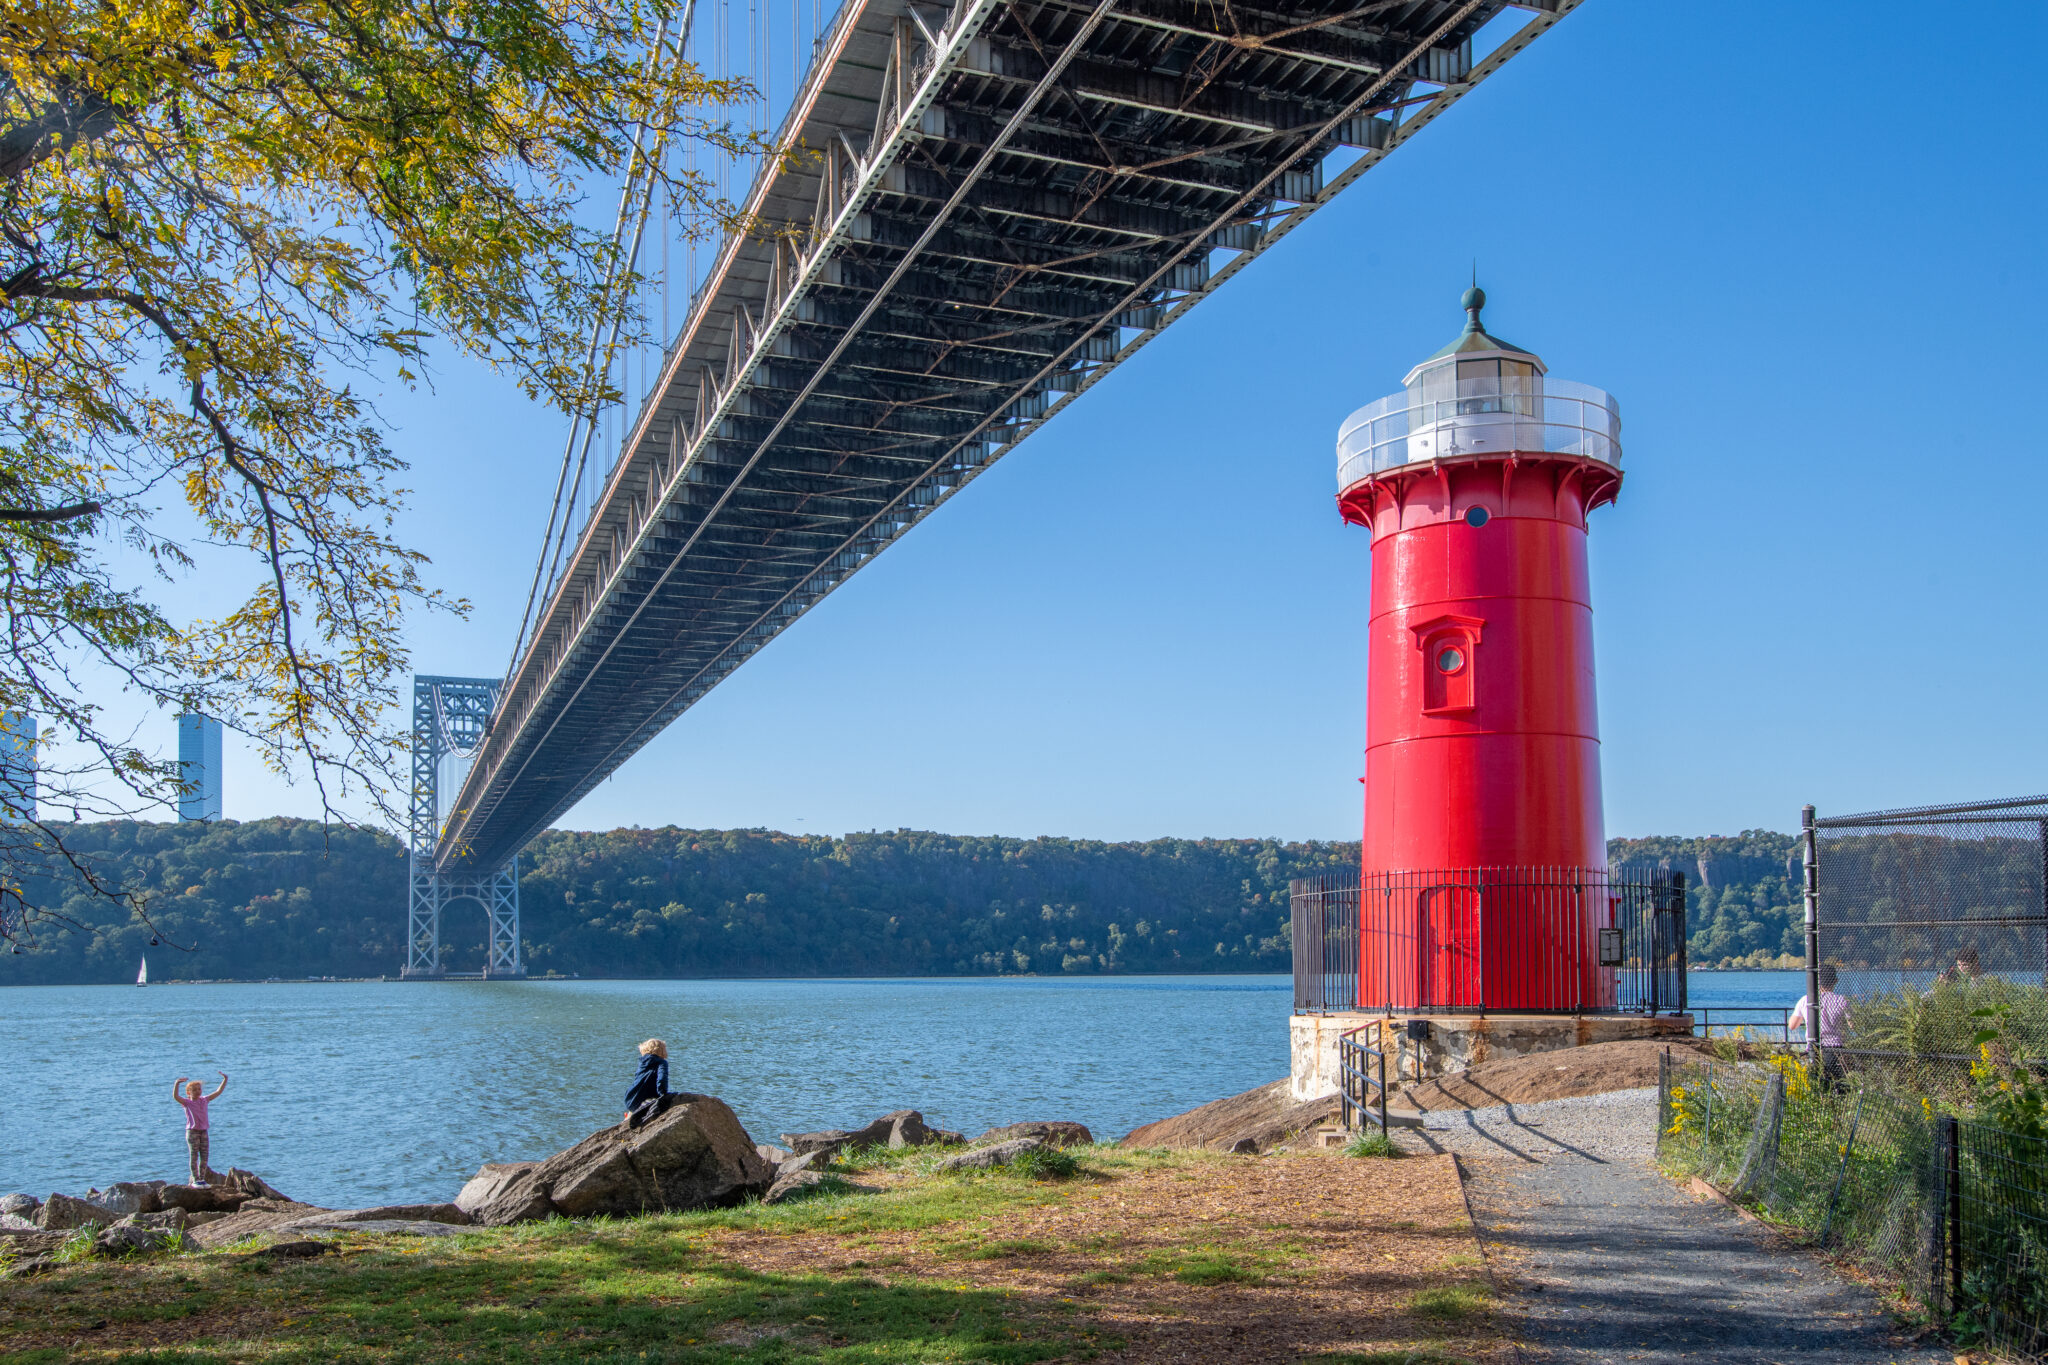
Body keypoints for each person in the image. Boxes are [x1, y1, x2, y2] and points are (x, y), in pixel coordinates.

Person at [171, 1072, 227, 1185]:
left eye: (199, 1089)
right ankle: (195, 1179)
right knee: (194, 1155)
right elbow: (176, 1097)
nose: (198, 1091)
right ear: (188, 1093)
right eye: (194, 1090)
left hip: (204, 1131)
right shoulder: (187, 1102)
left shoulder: (204, 1100)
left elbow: (218, 1092)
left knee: (205, 1155)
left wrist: (225, 1079)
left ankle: (202, 1178)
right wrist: (177, 1084)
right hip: (192, 1132)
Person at [622, 1039, 670, 1129]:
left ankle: (627, 1119)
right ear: (662, 1051)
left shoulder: (642, 1062)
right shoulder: (662, 1063)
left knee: (634, 1109)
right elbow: (662, 1080)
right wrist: (663, 1095)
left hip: (630, 1097)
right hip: (644, 1099)